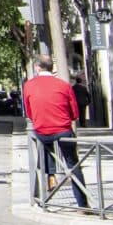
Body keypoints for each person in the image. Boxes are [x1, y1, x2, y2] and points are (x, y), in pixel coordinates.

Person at [23, 55, 89, 208]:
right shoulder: (64, 85)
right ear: (52, 68)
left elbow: (29, 112)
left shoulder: (29, 86)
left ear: (37, 67)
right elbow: (74, 113)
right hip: (63, 131)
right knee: (73, 165)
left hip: (41, 131)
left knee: (44, 150)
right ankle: (82, 204)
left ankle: (47, 184)